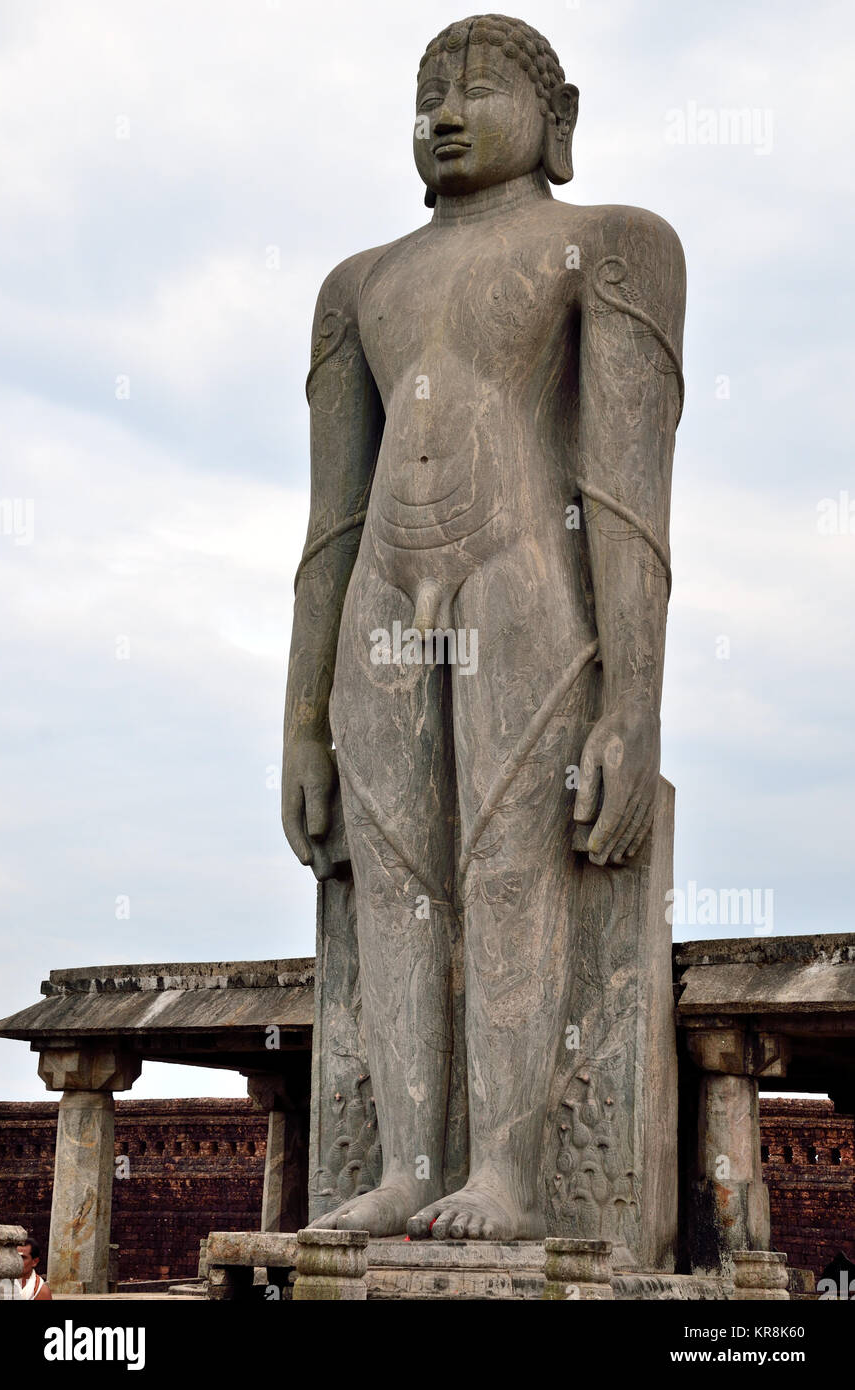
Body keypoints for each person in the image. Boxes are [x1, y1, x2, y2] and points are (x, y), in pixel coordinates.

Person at [283, 13, 684, 1239]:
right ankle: (409, 1160)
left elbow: (623, 493)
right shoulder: (360, 286)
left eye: (479, 87)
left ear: (556, 122)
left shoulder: (605, 246)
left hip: (522, 581)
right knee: (400, 873)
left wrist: (633, 700)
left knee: (510, 860)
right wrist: (301, 722)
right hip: (378, 601)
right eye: (428, 93)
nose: (447, 111)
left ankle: (505, 1168)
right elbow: (330, 522)